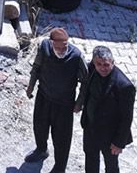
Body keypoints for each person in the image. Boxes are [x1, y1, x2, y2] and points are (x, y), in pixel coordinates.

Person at [24, 27, 87, 173]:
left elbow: (85, 81)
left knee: (62, 138)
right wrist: (30, 86)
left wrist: (79, 103)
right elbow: (36, 67)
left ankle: (60, 167)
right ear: (52, 43)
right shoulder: (44, 47)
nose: (61, 50)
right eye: (58, 47)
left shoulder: (76, 56)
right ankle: (41, 150)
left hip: (64, 104)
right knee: (39, 127)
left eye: (64, 47)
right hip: (44, 96)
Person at [76, 46, 136, 173]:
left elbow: (127, 118)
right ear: (94, 63)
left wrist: (119, 143)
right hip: (90, 128)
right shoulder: (92, 69)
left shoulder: (124, 86)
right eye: (99, 64)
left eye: (106, 65)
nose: (103, 68)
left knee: (111, 165)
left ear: (113, 63)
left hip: (110, 135)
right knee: (90, 159)